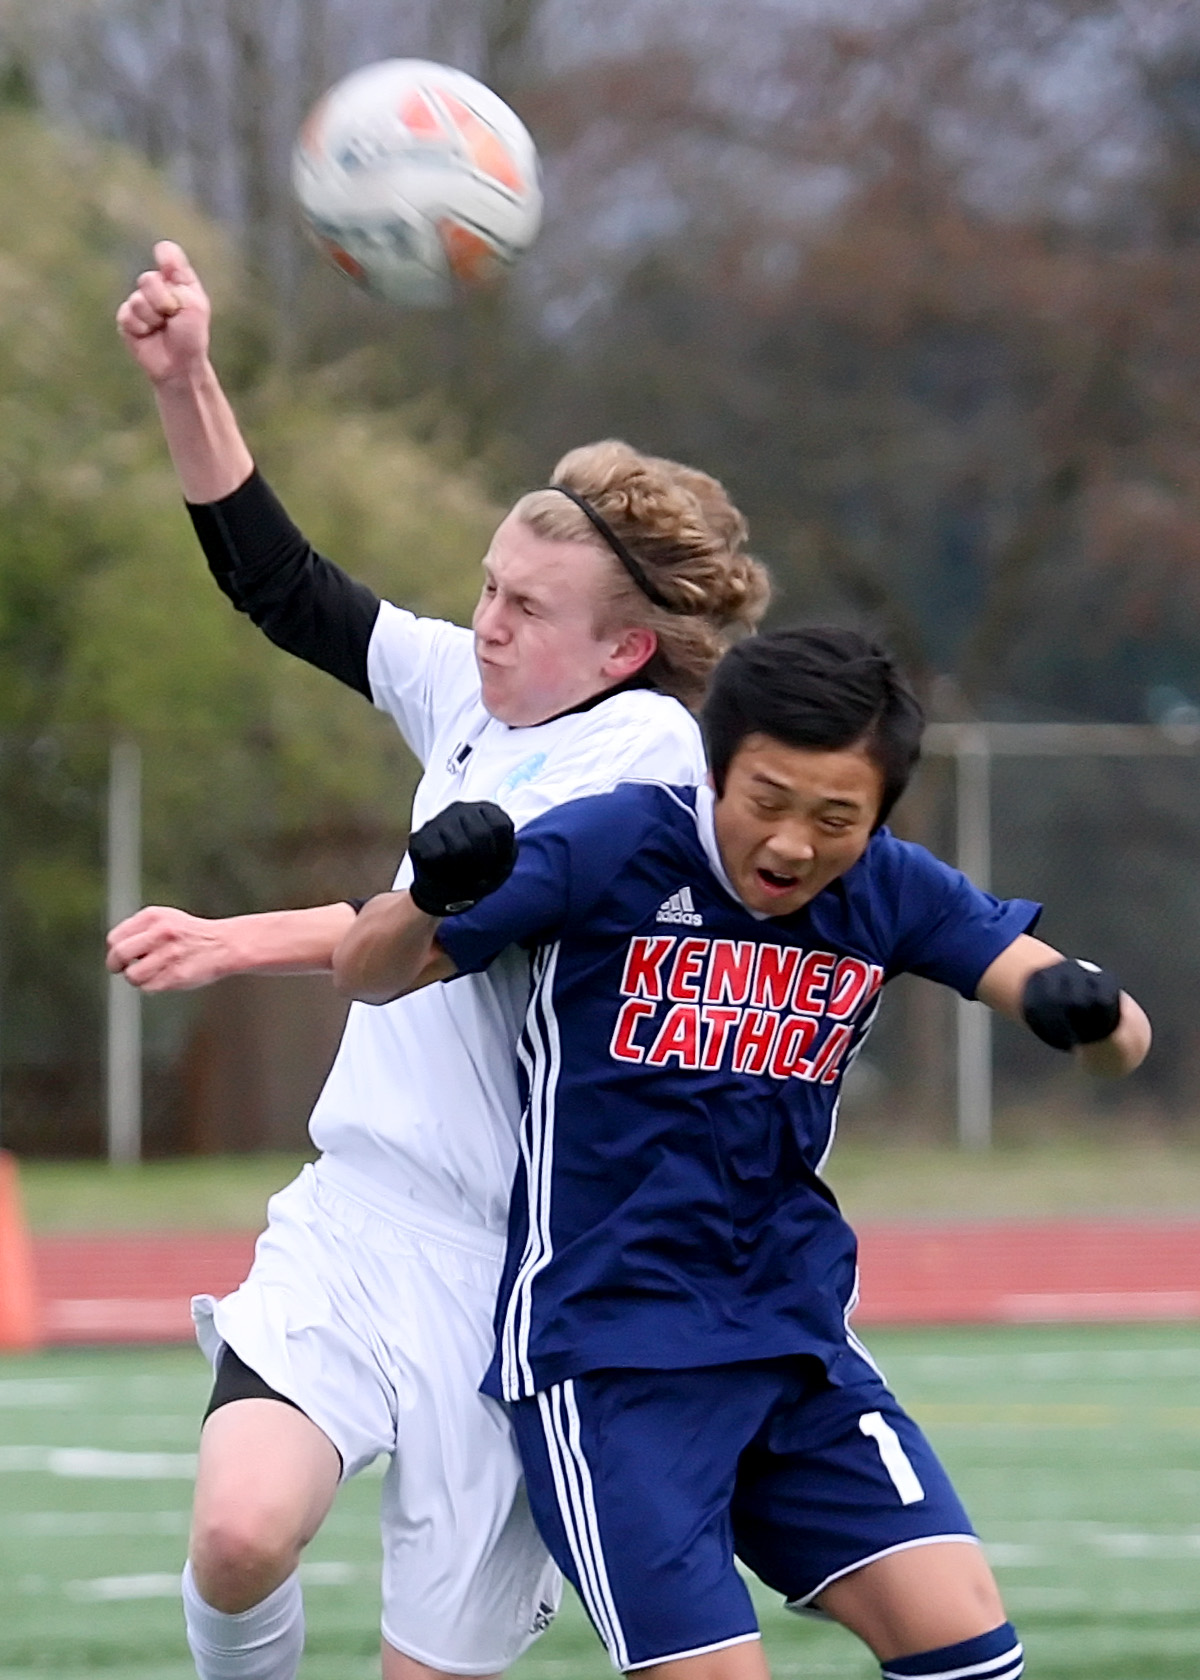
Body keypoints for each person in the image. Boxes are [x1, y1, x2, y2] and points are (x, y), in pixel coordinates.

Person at [111, 242, 770, 1680]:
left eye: (525, 609)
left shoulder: (646, 760)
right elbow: (284, 585)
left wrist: (235, 939)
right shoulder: (477, 694)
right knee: (237, 1534)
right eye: (485, 586)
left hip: (519, 1278)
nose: (484, 621)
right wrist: (188, 378)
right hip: (360, 1219)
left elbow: (438, 922)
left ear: (624, 649)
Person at [332, 626, 1151, 1680]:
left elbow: (1116, 1036)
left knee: (966, 1640)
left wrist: (1086, 1019)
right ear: (713, 768)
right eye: (768, 800)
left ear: (880, 818)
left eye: (836, 818)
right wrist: (428, 895)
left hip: (793, 1343)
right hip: (612, 1360)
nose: (796, 843)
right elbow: (369, 972)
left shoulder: (891, 890)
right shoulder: (611, 845)